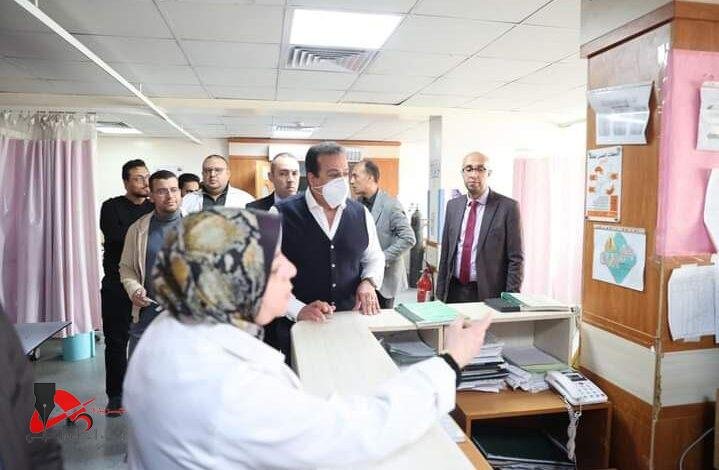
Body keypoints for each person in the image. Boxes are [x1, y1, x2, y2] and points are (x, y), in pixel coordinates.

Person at [123, 207, 493, 469]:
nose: (291, 269)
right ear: (234, 281)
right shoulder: (227, 387)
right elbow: (351, 436)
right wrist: (449, 362)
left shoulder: (171, 328)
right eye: (274, 264)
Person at [268, 142, 385, 361]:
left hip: (349, 323)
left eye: (345, 173)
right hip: (301, 329)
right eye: (333, 175)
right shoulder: (280, 214)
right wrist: (298, 309)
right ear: (313, 179)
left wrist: (369, 282)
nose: (343, 181)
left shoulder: (360, 214)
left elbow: (374, 257)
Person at [99, 159, 153, 416]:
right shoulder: (111, 207)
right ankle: (116, 395)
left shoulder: (154, 207)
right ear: (126, 182)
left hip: (147, 288)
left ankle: (146, 394)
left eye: (147, 177)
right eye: (138, 178)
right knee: (116, 342)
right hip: (116, 286)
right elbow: (116, 237)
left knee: (149, 344)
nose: (144, 182)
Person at [436, 152, 524, 303]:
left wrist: (511, 299)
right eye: (469, 169)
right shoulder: (453, 206)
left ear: (488, 173)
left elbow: (516, 259)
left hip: (489, 292)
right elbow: (446, 253)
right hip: (454, 290)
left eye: (480, 169)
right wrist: (440, 293)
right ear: (463, 173)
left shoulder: (508, 207)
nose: (474, 174)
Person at [119, 170, 183, 355]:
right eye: (162, 191)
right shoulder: (137, 230)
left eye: (174, 190)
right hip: (148, 314)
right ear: (151, 196)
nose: (170, 196)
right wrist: (134, 289)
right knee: (140, 370)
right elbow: (126, 268)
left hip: (186, 320)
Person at [350, 159, 416, 308]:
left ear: (370, 177)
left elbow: (408, 238)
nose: (351, 181)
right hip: (359, 277)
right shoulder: (355, 206)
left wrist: (380, 259)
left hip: (384, 282)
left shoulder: (391, 205)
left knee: (380, 320)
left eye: (355, 176)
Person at [181, 154, 253, 214]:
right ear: (202, 174)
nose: (212, 174)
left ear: (228, 174)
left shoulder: (245, 200)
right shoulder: (187, 200)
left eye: (218, 170)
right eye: (208, 170)